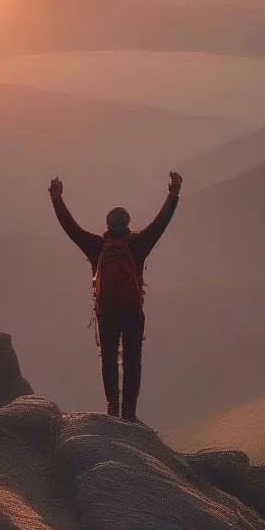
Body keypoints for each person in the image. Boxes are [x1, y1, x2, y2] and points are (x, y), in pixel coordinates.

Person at [49, 172, 182, 421]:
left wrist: (56, 199)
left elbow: (71, 228)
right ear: (128, 225)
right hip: (132, 313)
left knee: (108, 359)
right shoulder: (139, 245)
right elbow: (161, 223)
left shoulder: (97, 247)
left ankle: (112, 408)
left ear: (108, 226)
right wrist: (173, 194)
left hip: (107, 314)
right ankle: (129, 413)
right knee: (132, 360)